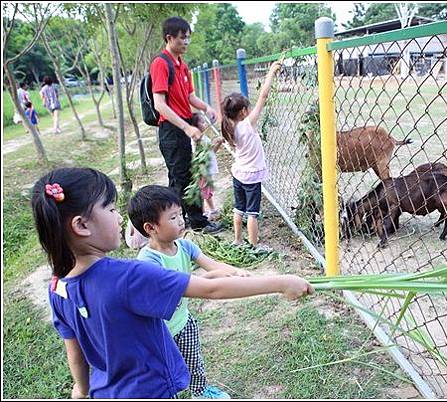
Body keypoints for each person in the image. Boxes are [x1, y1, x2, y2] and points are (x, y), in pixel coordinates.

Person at [31, 167, 313, 398]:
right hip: (150, 390)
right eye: (111, 209)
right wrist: (281, 282)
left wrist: (80, 389)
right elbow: (211, 290)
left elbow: (75, 351)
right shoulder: (129, 276)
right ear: (82, 225)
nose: (119, 219)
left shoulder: (57, 288)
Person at [129, 185, 248, 399]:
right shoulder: (148, 262)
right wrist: (205, 280)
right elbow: (173, 291)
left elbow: (213, 265)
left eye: (180, 214)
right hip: (159, 333)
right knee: (165, 374)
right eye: (173, 218)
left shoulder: (184, 246)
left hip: (183, 322)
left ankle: (200, 392)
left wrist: (239, 272)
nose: (182, 221)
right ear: (151, 228)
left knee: (194, 360)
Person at [150, 16, 222, 234]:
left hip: (183, 126)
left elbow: (189, 96)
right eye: (182, 38)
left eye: (188, 38)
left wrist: (207, 108)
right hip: (172, 130)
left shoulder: (182, 65)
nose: (186, 42)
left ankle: (178, 220)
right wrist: (186, 127)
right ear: (169, 38)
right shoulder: (161, 64)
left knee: (179, 177)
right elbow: (160, 105)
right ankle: (197, 221)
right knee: (184, 178)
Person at [221, 61, 281, 251]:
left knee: (238, 209)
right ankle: (254, 245)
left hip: (238, 174)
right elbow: (264, 95)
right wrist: (271, 71)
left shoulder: (229, 126)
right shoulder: (247, 124)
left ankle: (238, 240)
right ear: (244, 111)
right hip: (251, 176)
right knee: (252, 213)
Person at [191, 113, 225, 221]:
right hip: (202, 171)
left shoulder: (204, 138)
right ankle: (212, 210)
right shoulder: (196, 140)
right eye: (202, 122)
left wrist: (218, 143)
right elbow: (201, 153)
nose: (205, 124)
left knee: (205, 191)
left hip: (207, 171)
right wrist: (214, 142)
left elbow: (211, 152)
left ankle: (205, 211)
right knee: (206, 192)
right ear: (195, 126)